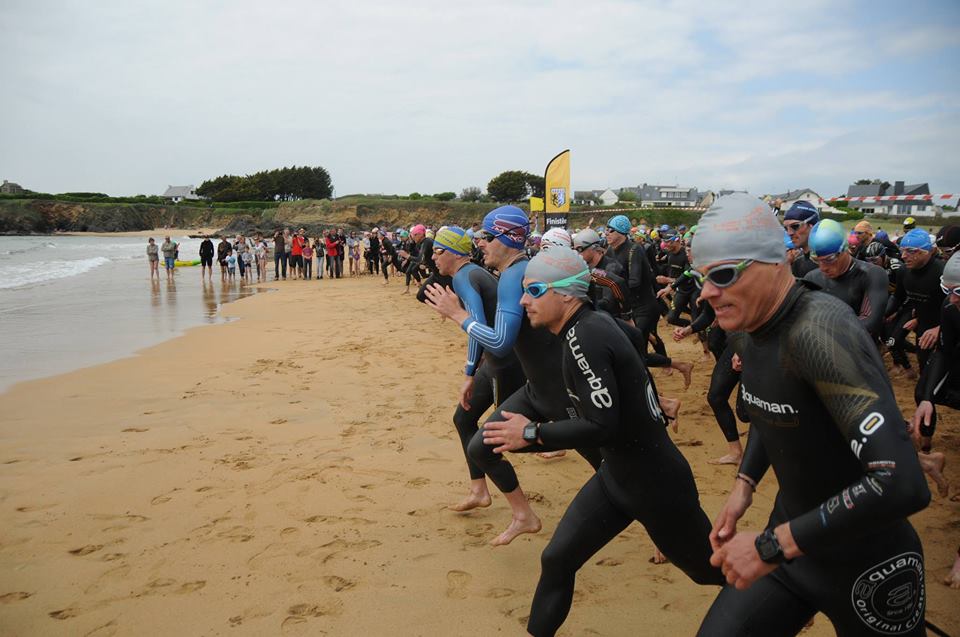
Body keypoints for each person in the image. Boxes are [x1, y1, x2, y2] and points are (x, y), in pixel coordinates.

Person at [690, 193, 930, 636]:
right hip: (793, 546)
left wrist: (769, 546)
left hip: (869, 563)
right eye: (702, 277)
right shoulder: (748, 328)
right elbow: (774, 407)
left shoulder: (821, 331)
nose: (707, 293)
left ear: (776, 263)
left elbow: (901, 482)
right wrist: (744, 486)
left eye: (722, 275)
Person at [481, 246, 722, 636]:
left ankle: (778, 592)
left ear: (565, 294)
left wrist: (530, 433)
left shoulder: (585, 338)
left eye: (535, 289)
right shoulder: (590, 326)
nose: (524, 300)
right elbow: (629, 366)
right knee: (557, 559)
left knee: (710, 572)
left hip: (657, 485)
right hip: (617, 477)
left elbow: (600, 425)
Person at [424, 205, 601, 546]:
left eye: (487, 237)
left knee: (611, 467)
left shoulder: (513, 274)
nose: (481, 244)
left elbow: (500, 343)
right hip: (537, 386)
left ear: (505, 238)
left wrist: (456, 315)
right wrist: (471, 371)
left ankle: (660, 526)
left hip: (561, 390)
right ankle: (524, 515)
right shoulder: (516, 271)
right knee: (482, 445)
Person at [432, 226, 526, 512]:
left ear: (454, 253)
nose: (433, 258)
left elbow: (476, 328)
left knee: (493, 439)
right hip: (495, 360)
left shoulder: (463, 277)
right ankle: (479, 491)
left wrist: (468, 373)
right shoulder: (472, 273)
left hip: (506, 363)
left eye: (438, 251)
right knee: (463, 420)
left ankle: (521, 509)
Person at [886, 228, 946, 452]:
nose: (904, 256)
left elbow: (953, 307)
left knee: (929, 391)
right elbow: (899, 298)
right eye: (902, 250)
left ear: (928, 251)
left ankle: (926, 441)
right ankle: (927, 442)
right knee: (924, 391)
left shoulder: (942, 272)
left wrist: (939, 328)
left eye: (911, 251)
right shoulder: (904, 273)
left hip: (950, 338)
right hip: (925, 340)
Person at [803, 219, 889, 339]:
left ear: (844, 249)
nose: (823, 268)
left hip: (857, 352)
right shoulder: (811, 277)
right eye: (817, 261)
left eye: (829, 260)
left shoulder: (871, 274)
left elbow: (870, 322)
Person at [781, 201, 819, 278]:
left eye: (795, 226)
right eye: (786, 228)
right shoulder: (796, 263)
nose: (789, 233)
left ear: (812, 225)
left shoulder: (827, 262)